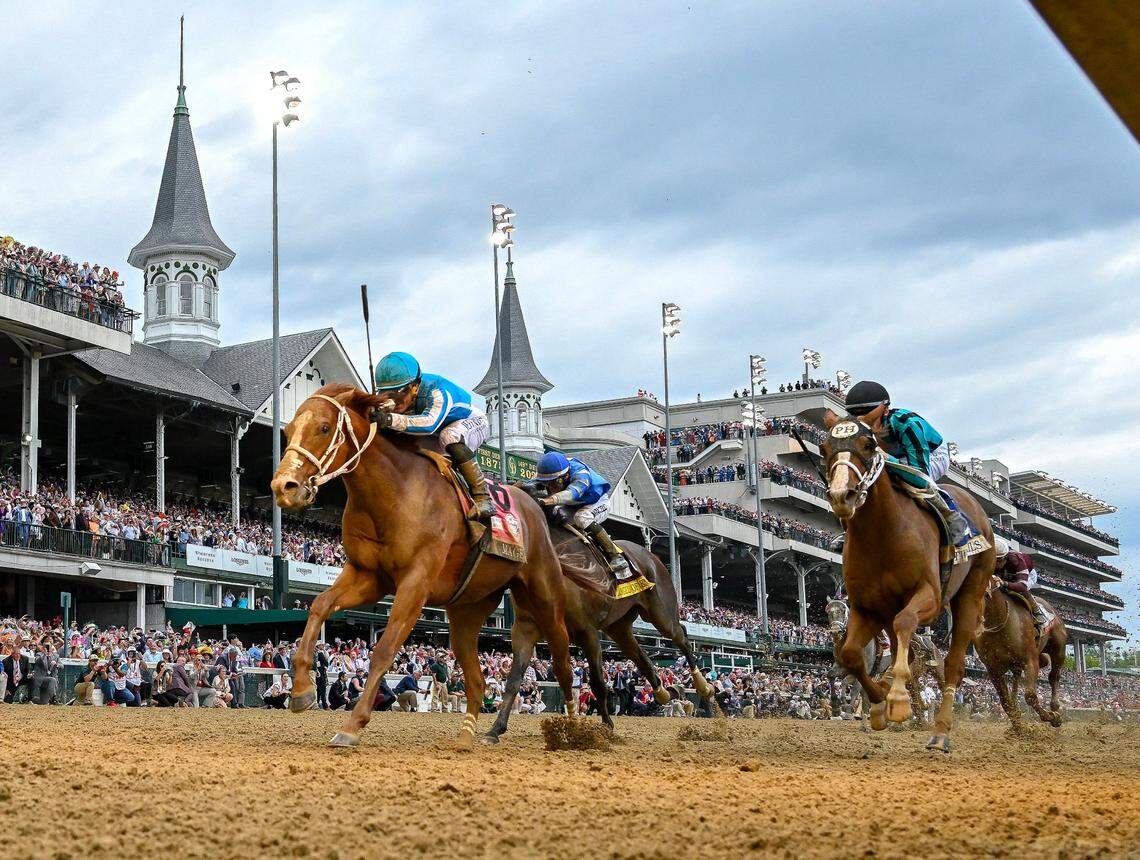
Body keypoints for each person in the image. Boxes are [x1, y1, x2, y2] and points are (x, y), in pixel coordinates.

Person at [843, 380, 970, 545]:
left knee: (911, 481)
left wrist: (888, 459)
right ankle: (851, 528)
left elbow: (920, 475)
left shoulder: (908, 425)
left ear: (885, 410)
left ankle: (950, 516)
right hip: (893, 455)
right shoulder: (854, 428)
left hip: (931, 456)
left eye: (867, 416)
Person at [372, 351, 494, 520]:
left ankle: (483, 497)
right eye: (387, 394)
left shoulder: (436, 391)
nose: (394, 400)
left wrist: (388, 418)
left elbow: (430, 424)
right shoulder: (400, 394)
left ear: (415, 387)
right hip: (436, 431)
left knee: (449, 436)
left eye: (398, 393)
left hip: (470, 422)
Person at [532, 451, 630, 575]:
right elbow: (527, 484)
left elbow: (572, 493)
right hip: (573, 505)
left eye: (554, 482)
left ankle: (615, 556)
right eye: (547, 483)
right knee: (554, 512)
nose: (550, 487)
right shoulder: (551, 472)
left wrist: (546, 501)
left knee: (582, 517)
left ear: (566, 476)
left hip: (597, 502)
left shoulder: (581, 474)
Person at [993, 536, 1048, 635]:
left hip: (1027, 575)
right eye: (994, 560)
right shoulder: (993, 560)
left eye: (998, 561)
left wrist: (1005, 583)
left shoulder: (1016, 560)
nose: (995, 565)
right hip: (1006, 574)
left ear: (1005, 558)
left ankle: (1038, 612)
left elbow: (1022, 586)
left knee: (1020, 591)